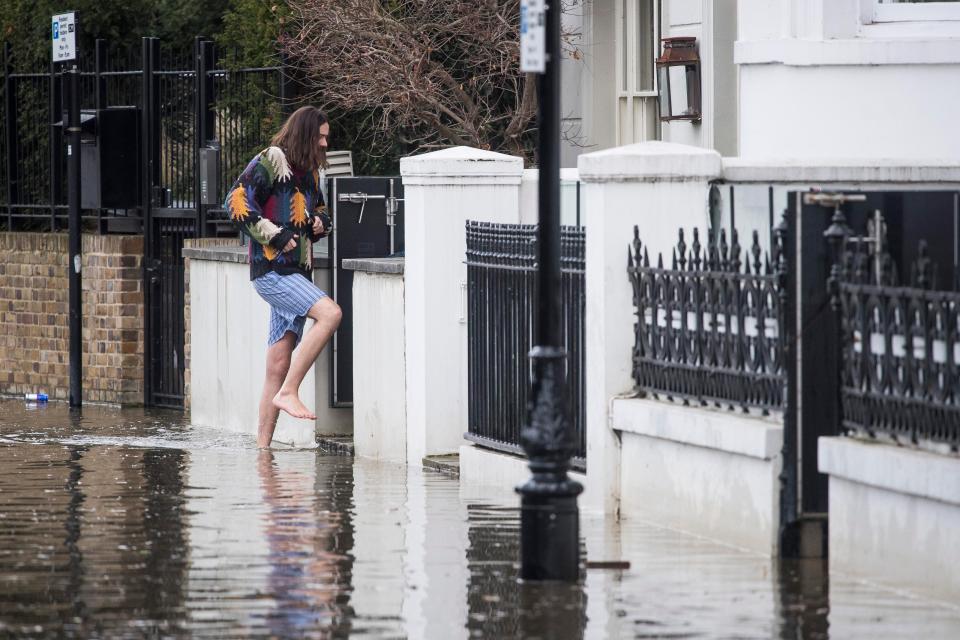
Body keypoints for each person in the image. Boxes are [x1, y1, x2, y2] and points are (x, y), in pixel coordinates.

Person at [226, 106, 342, 448]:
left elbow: (318, 209)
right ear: (306, 134)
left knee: (276, 365)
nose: (325, 142)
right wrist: (273, 234)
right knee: (331, 314)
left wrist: (322, 223)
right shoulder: (273, 159)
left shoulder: (311, 173)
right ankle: (290, 391)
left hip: (298, 274)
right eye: (320, 136)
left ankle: (263, 452)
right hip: (274, 271)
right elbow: (235, 201)